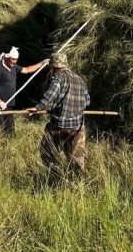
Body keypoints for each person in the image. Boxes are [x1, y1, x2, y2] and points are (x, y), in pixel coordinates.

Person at [26, 51, 90, 184]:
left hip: (59, 125)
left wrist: (38, 107)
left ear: (54, 66)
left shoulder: (58, 77)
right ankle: (77, 184)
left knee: (48, 151)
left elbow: (52, 93)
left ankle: (54, 178)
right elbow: (87, 101)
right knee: (76, 158)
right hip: (77, 126)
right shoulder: (80, 79)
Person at [0, 46, 48, 136]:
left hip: (9, 105)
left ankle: (8, 147)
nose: (15, 62)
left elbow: (27, 70)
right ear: (6, 58)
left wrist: (42, 63)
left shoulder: (13, 67)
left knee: (10, 131)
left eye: (16, 59)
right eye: (13, 59)